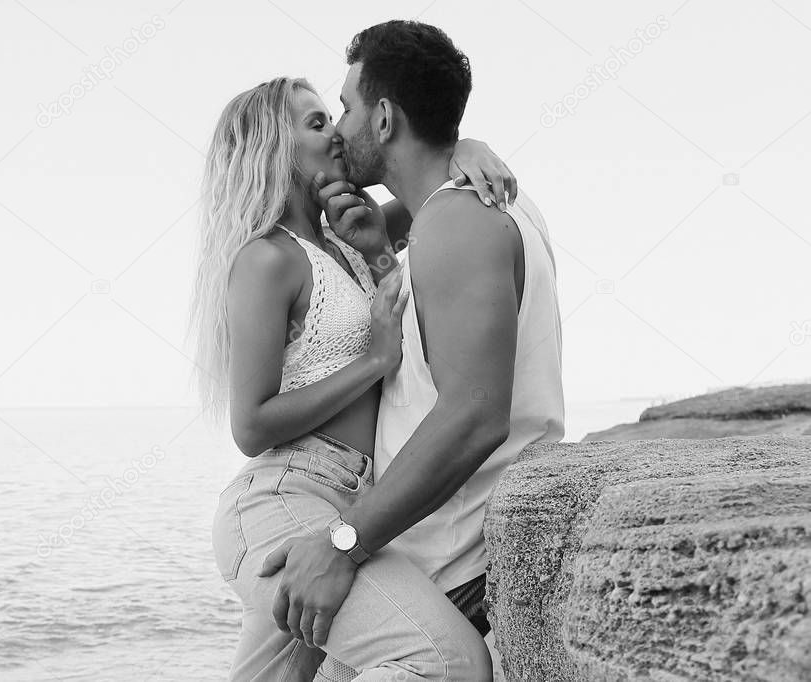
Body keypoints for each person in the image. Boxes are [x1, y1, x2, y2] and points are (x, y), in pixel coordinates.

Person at [258, 19, 565, 679]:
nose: (338, 127)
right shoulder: (463, 213)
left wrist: (342, 542)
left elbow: (474, 414)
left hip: (450, 564)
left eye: (345, 106)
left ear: (386, 117)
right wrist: (380, 244)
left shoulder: (458, 222)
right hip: (426, 553)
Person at [192, 74, 516, 679]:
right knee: (446, 660)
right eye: (316, 123)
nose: (338, 133)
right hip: (284, 497)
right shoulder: (267, 258)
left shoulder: (348, 238)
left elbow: (430, 189)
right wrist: (374, 361)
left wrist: (467, 146)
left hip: (349, 499)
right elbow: (251, 424)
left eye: (334, 116)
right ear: (273, 149)